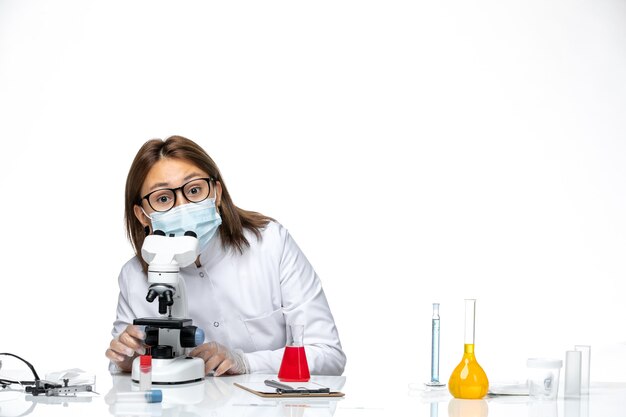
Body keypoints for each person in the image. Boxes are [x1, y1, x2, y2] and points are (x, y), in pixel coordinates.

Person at [105, 136, 346, 377]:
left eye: (195, 190)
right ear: (143, 215)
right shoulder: (133, 276)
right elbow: (121, 374)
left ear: (216, 193)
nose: (183, 207)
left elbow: (328, 354)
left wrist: (245, 363)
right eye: (164, 198)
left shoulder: (271, 244)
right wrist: (127, 360)